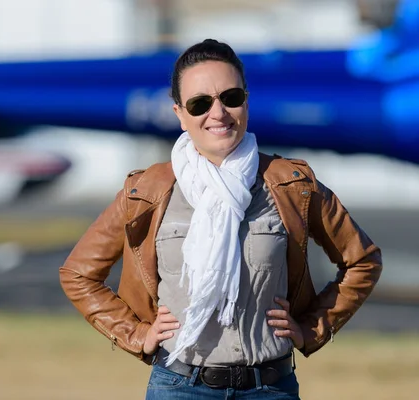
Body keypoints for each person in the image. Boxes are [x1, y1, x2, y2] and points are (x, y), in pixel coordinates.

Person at [59, 39, 382, 399]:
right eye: (200, 103)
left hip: (270, 388)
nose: (218, 113)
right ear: (179, 113)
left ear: (246, 100)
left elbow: (362, 260)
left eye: (230, 97)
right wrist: (138, 335)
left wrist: (312, 328)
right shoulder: (146, 191)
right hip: (179, 387)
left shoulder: (291, 185)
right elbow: (78, 274)